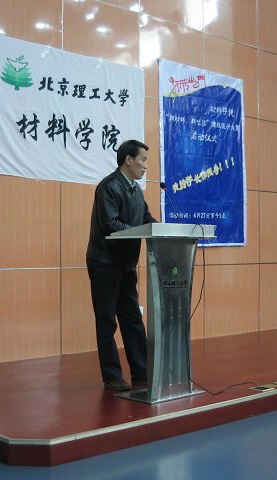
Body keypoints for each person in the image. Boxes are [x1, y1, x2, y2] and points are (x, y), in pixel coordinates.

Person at [86, 139, 157, 392]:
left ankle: (142, 373)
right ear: (128, 159)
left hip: (126, 264)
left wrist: (163, 230)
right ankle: (112, 377)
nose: (145, 166)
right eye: (143, 160)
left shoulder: (137, 190)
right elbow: (110, 224)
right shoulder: (109, 186)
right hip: (105, 263)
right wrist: (140, 231)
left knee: (133, 319)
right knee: (107, 321)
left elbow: (147, 219)